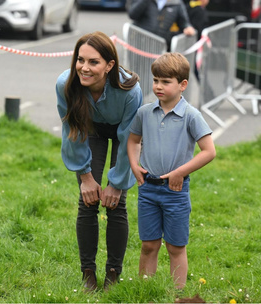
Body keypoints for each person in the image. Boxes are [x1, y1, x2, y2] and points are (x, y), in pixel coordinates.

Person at [55, 31, 143, 292]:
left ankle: (113, 276)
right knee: (88, 199)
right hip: (89, 129)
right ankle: (88, 275)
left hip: (122, 133)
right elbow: (72, 132)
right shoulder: (65, 84)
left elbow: (131, 139)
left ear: (109, 65)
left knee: (117, 203)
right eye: (80, 60)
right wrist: (85, 176)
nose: (84, 67)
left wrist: (116, 184)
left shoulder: (130, 90)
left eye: (93, 62)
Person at [127, 53, 216, 290]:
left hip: (175, 191)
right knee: (148, 245)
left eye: (166, 82)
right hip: (148, 190)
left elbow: (208, 151)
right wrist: (135, 165)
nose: (158, 86)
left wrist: (179, 172)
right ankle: (147, 290)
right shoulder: (145, 112)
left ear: (182, 85)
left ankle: (178, 294)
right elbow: (133, 141)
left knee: (175, 247)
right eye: (156, 80)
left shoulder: (191, 115)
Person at [127, 0, 196, 48]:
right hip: (138, 44)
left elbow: (184, 22)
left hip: (160, 47)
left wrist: (188, 27)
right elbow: (132, 14)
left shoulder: (176, 2)